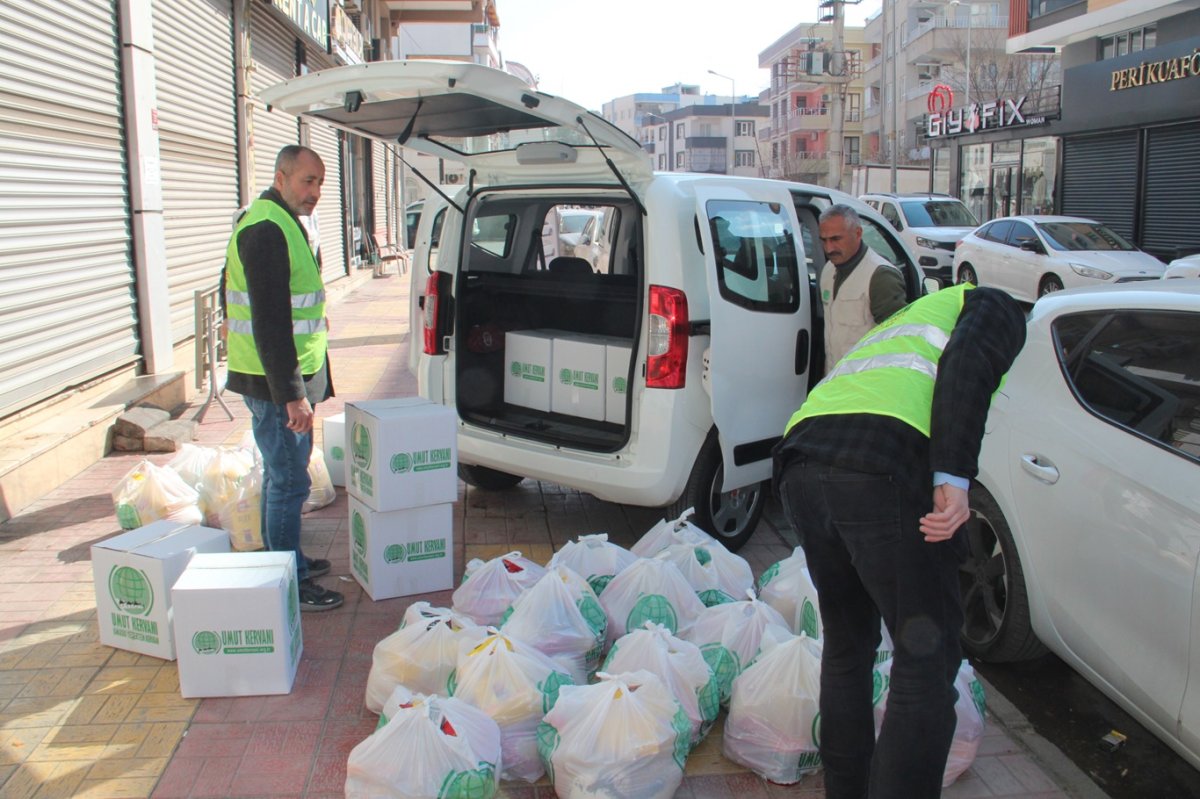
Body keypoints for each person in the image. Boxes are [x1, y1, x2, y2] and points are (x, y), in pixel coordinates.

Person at [773, 282, 1026, 799]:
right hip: (880, 470)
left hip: (801, 461)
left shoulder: (916, 313)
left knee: (847, 646)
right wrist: (953, 479)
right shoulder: (995, 304)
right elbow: (969, 366)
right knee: (925, 658)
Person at [224, 144, 343, 611]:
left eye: (319, 183)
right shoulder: (266, 229)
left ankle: (286, 558)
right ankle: (287, 579)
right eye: (306, 181)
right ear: (281, 177)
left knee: (287, 478)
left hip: (286, 379)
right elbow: (270, 322)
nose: (314, 191)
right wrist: (292, 395)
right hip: (275, 385)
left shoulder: (282, 220)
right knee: (289, 480)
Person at [818, 204, 908, 372]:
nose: (829, 248)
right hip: (833, 380)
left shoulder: (880, 276)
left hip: (865, 384)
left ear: (858, 233)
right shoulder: (828, 270)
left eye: (836, 239)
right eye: (824, 240)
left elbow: (897, 342)